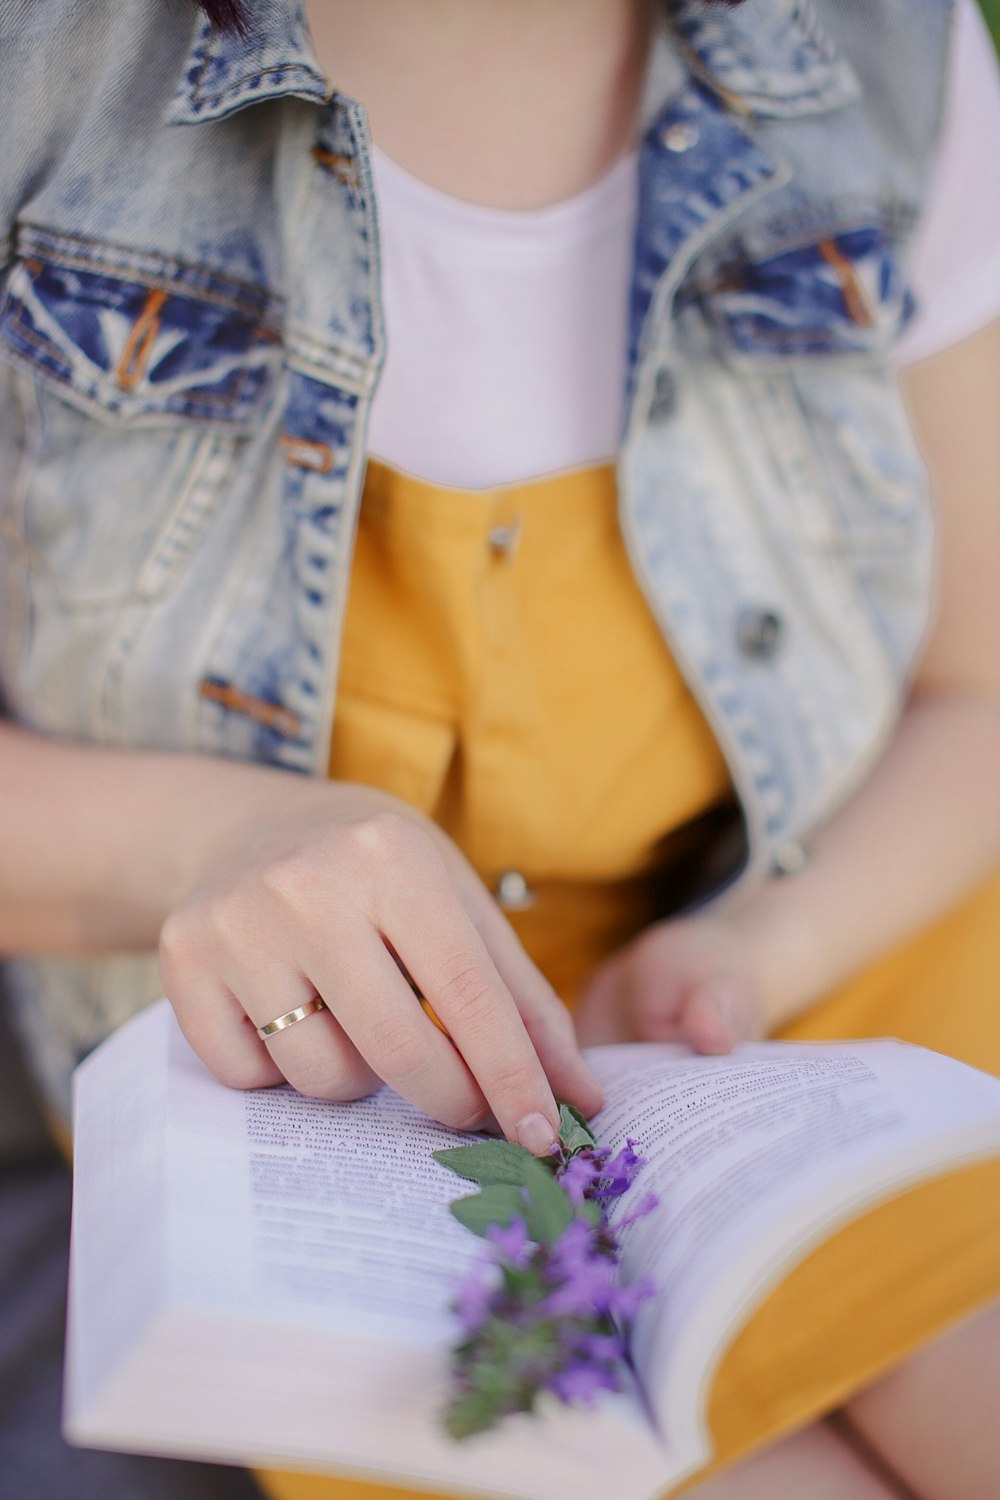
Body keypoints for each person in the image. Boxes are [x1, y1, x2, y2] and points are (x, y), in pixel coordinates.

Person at [1, 0, 998, 1496]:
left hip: (835, 967)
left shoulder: (891, 48)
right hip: (347, 1102)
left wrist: (751, 952)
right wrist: (212, 845)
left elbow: (978, 688)